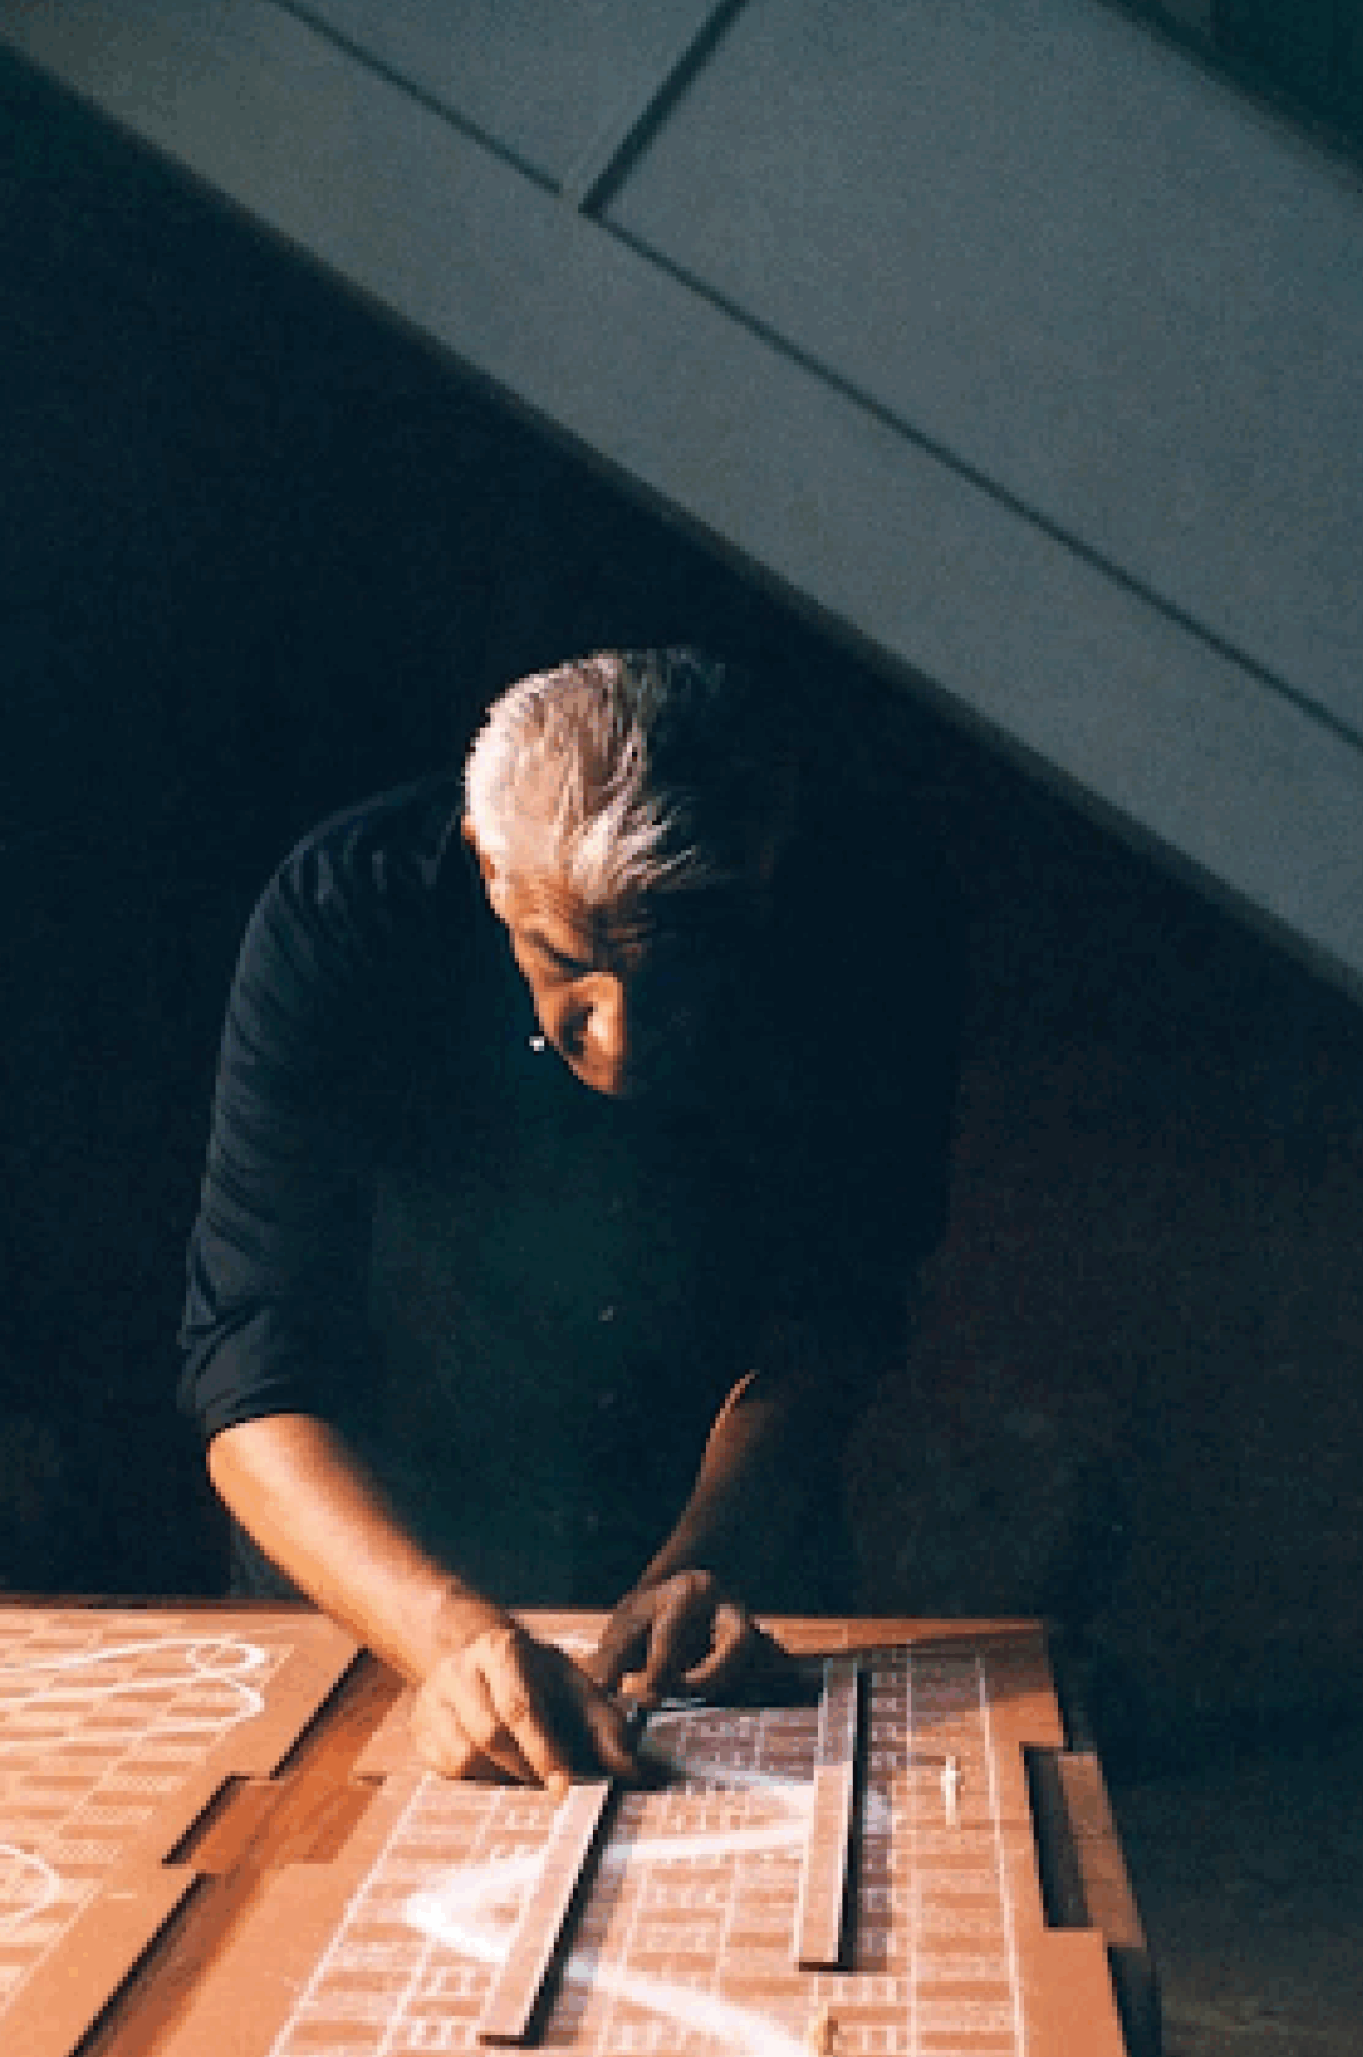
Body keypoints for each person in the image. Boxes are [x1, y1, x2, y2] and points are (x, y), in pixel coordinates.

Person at [178, 647, 962, 1790]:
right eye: (565, 966)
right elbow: (243, 1370)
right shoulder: (343, 915)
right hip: (376, 1557)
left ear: (764, 873)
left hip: (711, 1547)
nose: (625, 1041)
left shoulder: (867, 930)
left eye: (678, 979)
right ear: (490, 869)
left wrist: (710, 1555)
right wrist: (446, 1637)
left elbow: (840, 1306)